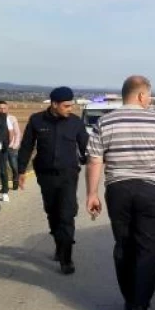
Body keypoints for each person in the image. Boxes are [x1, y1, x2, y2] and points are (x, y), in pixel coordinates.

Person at [86, 75, 155, 310]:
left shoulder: (104, 123)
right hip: (152, 191)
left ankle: (130, 297)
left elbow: (95, 161)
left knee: (124, 244)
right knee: (149, 247)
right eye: (148, 95)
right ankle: (141, 303)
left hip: (118, 190)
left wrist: (92, 193)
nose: (149, 100)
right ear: (141, 95)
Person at [18, 87, 89, 274]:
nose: (70, 109)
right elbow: (26, 146)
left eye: (71, 105)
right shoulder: (36, 120)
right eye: (66, 106)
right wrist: (21, 171)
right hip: (46, 176)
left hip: (68, 176)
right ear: (54, 104)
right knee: (52, 213)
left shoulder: (75, 123)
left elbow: (86, 146)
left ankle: (66, 259)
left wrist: (92, 159)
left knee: (67, 214)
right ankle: (60, 243)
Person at [0, 101, 21, 191]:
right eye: (0, 108)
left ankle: (15, 180)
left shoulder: (12, 118)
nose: (2, 110)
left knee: (14, 166)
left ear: (7, 109)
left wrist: (15, 145)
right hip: (1, 148)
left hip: (11, 147)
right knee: (2, 168)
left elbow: (17, 133)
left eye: (4, 108)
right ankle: (5, 186)